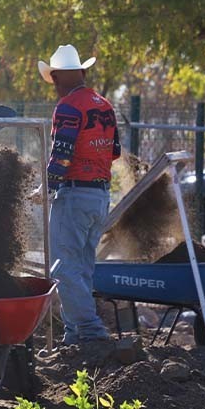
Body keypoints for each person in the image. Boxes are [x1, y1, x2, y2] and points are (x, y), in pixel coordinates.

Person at [32, 44, 121, 345]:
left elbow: (62, 155)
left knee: (64, 268)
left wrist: (46, 187)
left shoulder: (68, 108)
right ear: (82, 73)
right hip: (100, 195)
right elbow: (116, 151)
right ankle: (74, 337)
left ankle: (91, 332)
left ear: (56, 78)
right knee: (82, 268)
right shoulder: (105, 105)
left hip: (75, 194)